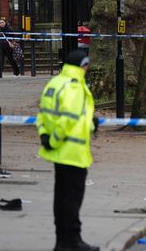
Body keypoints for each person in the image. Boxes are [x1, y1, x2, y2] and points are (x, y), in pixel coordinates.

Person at [36, 50, 99, 251]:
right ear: (82, 65)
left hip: (58, 153)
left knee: (61, 197)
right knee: (72, 198)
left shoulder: (55, 83)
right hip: (72, 152)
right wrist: (54, 141)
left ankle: (61, 240)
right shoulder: (75, 86)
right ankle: (72, 240)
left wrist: (45, 136)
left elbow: (43, 115)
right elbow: (68, 120)